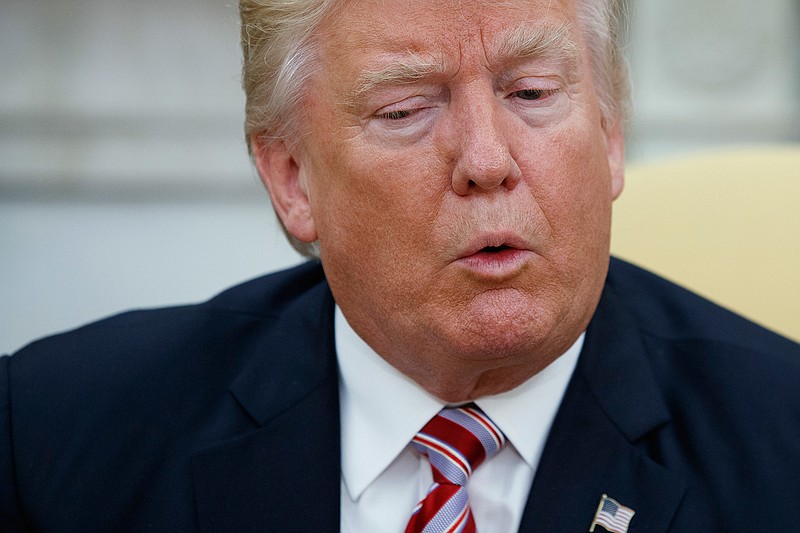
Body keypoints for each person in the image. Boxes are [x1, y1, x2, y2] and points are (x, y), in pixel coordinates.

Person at [2, 0, 799, 531]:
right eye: (406, 110)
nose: (487, 161)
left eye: (530, 91)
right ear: (291, 177)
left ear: (610, 132)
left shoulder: (780, 447)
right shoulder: (53, 434)